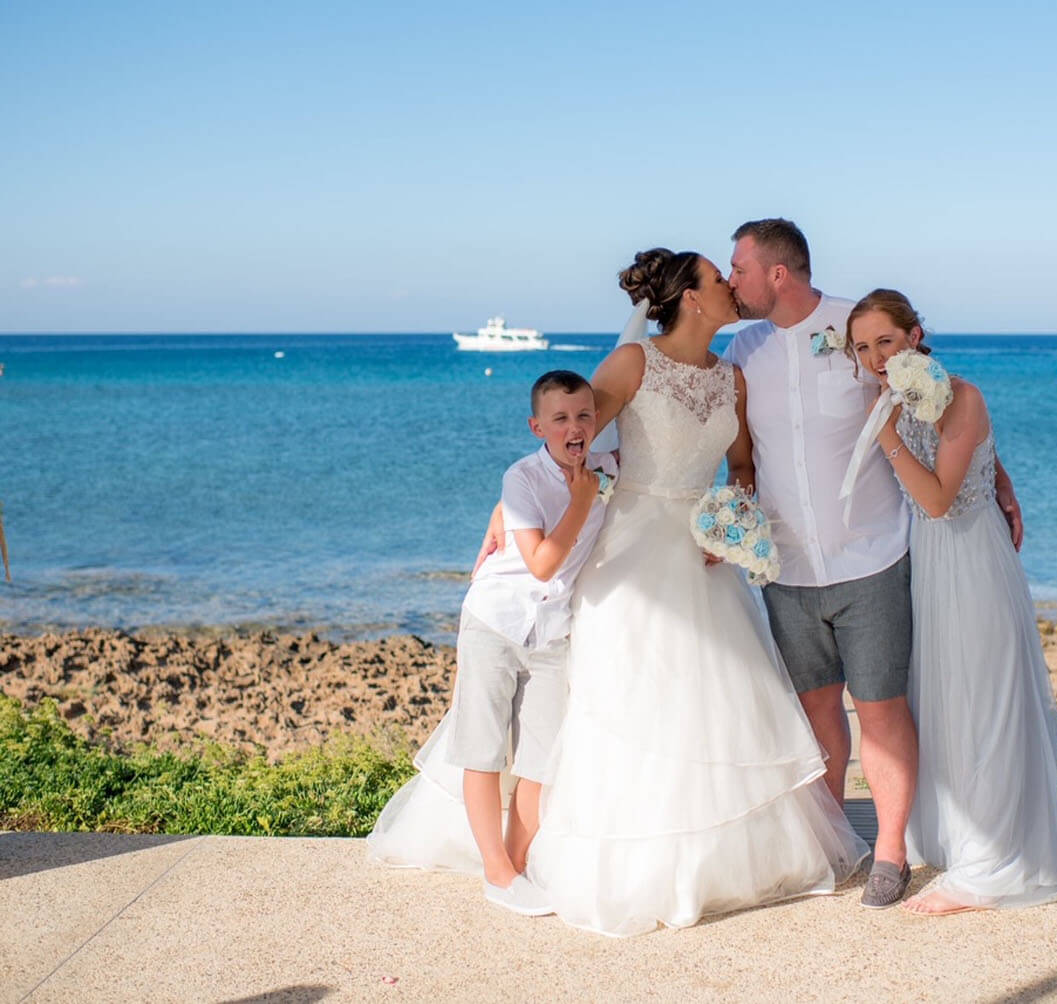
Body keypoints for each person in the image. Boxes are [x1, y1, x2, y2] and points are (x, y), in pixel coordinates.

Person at [520, 248, 869, 936]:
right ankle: (641, 867)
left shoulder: (733, 377)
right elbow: (572, 440)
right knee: (639, 697)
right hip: (633, 553)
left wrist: (731, 520)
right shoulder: (632, 364)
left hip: (706, 552)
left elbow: (741, 467)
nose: (731, 288)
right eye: (719, 280)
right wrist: (518, 515)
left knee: (718, 697)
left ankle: (726, 861)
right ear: (689, 299)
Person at [722, 219, 1023, 907]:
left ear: (778, 272)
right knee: (816, 713)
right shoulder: (743, 350)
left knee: (882, 710)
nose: (731, 278)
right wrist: (730, 524)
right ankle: (832, 849)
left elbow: (939, 401)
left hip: (874, 558)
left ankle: (890, 851)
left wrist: (995, 472)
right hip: (787, 570)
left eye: (739, 266)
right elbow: (741, 459)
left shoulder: (858, 328)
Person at [846, 289, 1057, 914]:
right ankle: (958, 837)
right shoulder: (893, 398)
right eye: (861, 347)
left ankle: (989, 865)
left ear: (915, 336)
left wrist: (887, 435)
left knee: (985, 702)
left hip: (971, 561)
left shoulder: (962, 397)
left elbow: (940, 499)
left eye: (885, 342)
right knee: (943, 699)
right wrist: (1001, 475)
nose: (873, 357)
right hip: (928, 564)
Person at [367, 370, 617, 916]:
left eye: (583, 416)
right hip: (496, 622)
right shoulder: (523, 479)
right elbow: (543, 563)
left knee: (540, 760)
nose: (574, 427)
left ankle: (515, 865)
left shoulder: (608, 468)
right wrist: (581, 500)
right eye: (560, 419)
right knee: (481, 750)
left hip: (552, 632)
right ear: (537, 427)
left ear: (598, 420)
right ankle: (496, 874)